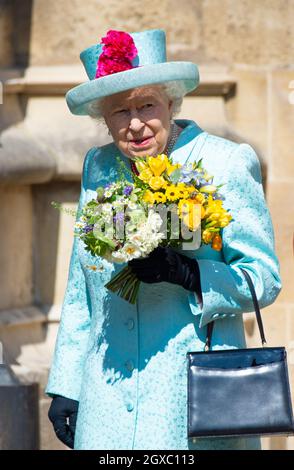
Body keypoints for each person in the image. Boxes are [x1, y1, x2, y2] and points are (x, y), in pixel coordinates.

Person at [46, 28, 282, 450]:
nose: (135, 124)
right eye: (119, 111)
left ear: (171, 101)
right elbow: (81, 285)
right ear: (104, 118)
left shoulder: (224, 162)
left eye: (147, 105)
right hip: (107, 398)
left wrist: (191, 274)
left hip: (189, 399)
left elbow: (263, 278)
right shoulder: (98, 166)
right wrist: (66, 382)